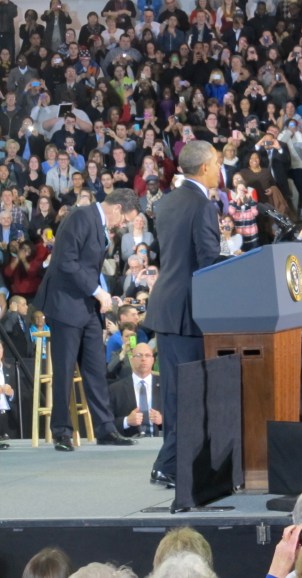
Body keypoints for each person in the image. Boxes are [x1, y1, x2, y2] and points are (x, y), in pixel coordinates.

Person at [34, 188, 140, 452]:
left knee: (95, 369)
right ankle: (61, 431)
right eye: (125, 218)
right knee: (65, 369)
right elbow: (65, 262)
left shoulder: (99, 224)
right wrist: (98, 291)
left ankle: (106, 428)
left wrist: (101, 295)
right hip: (65, 305)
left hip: (88, 308)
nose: (123, 224)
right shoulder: (80, 217)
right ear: (117, 208)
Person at [143, 141, 221, 487]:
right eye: (217, 163)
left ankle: (172, 463)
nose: (220, 169)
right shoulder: (203, 205)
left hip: (167, 305)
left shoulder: (166, 202)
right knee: (189, 392)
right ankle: (169, 464)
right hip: (190, 311)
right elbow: (207, 264)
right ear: (204, 167)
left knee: (175, 391)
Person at [108, 343, 162, 440]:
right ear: (131, 360)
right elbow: (106, 424)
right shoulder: (115, 389)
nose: (143, 359)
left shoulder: (165, 386)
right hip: (129, 446)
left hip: (160, 443)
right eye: (139, 355)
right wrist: (126, 421)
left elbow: (181, 417)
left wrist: (163, 420)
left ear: (153, 360)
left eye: (147, 355)